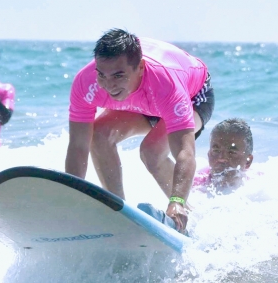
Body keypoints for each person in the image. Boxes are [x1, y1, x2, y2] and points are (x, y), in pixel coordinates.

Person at [65, 29, 214, 233]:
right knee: (98, 135)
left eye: (118, 75)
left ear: (141, 67)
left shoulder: (166, 84)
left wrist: (177, 200)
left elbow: (185, 152)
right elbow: (78, 145)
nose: (109, 85)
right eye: (102, 74)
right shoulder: (85, 82)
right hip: (146, 101)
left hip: (194, 95)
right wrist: (70, 197)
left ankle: (185, 214)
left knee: (151, 152)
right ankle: (118, 211)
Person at [138, 118, 254, 230]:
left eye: (231, 152)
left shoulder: (256, 189)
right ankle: (176, 224)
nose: (222, 158)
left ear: (248, 161)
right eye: (216, 150)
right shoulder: (197, 182)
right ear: (209, 154)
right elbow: (156, 162)